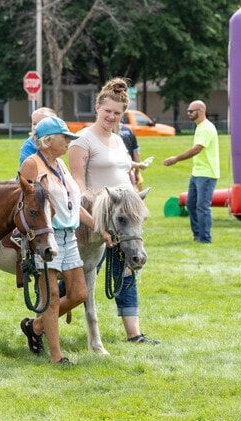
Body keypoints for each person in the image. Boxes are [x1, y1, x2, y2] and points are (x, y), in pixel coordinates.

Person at [68, 77, 159, 344]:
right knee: (80, 280)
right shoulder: (81, 140)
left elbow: (126, 175)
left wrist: (133, 201)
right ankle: (42, 321)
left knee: (128, 270)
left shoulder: (119, 141)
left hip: (123, 219)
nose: (111, 116)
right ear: (97, 108)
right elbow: (78, 183)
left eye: (117, 113)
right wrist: (96, 220)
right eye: (107, 111)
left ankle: (134, 334)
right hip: (95, 219)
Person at [19, 116, 98, 365]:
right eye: (65, 138)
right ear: (48, 140)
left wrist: (100, 227)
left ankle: (36, 326)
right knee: (51, 296)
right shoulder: (32, 164)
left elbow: (72, 205)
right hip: (46, 238)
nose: (68, 143)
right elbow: (26, 204)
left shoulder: (61, 165)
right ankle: (56, 356)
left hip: (69, 236)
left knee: (79, 293)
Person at [163, 100, 220, 244]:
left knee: (202, 206)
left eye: (191, 111)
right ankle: (197, 235)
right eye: (188, 111)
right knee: (191, 203)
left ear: (200, 111)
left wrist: (176, 158)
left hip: (207, 174)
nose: (188, 113)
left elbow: (197, 149)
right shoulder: (200, 127)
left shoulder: (207, 128)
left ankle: (205, 238)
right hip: (197, 173)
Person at [119, 122, 144, 191]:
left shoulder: (106, 132)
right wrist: (137, 172)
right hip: (130, 168)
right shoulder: (129, 130)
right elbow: (136, 153)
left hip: (117, 170)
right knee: (138, 190)